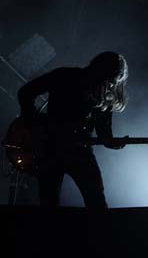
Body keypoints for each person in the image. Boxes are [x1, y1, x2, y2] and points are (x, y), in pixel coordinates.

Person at [17, 51, 129, 209]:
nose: (110, 85)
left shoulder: (103, 96)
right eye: (111, 79)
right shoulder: (65, 76)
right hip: (53, 148)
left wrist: (115, 143)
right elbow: (26, 92)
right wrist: (33, 121)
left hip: (72, 150)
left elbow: (104, 136)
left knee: (93, 202)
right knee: (57, 203)